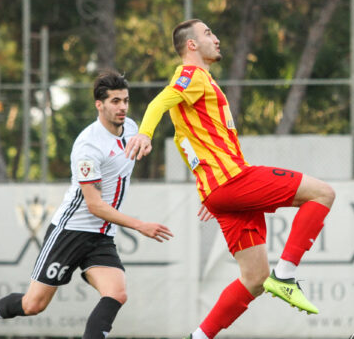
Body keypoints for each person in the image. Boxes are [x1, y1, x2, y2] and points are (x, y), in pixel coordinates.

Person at [124, 19, 336, 339]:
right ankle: (287, 274)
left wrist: (211, 190)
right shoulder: (191, 75)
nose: (217, 39)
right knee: (323, 193)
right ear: (191, 45)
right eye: (208, 33)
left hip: (223, 190)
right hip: (230, 181)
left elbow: (186, 140)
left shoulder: (203, 83)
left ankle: (199, 337)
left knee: (254, 278)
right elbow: (160, 101)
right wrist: (144, 132)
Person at [0, 71, 174, 339]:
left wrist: (145, 141)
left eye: (125, 100)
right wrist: (140, 225)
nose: (122, 106)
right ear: (99, 105)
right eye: (114, 101)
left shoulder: (132, 128)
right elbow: (95, 206)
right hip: (71, 231)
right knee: (33, 305)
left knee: (117, 293)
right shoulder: (88, 146)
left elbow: (135, 147)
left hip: (101, 235)